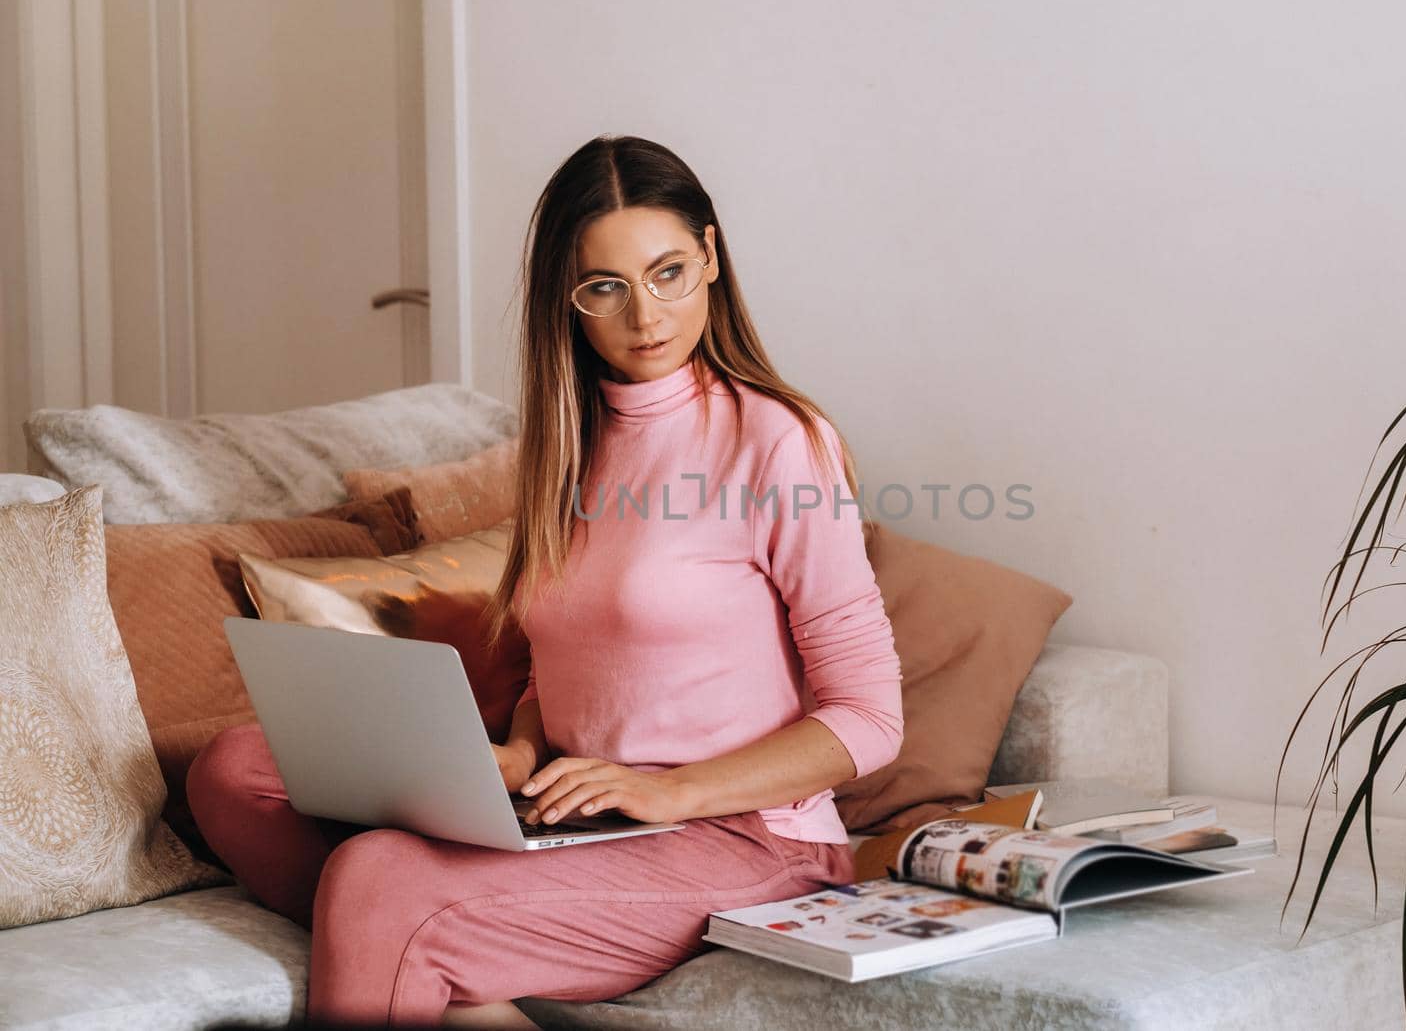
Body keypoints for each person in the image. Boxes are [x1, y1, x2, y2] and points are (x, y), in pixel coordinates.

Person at [186, 134, 905, 1028]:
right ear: (567, 302)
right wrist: (525, 750)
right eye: (605, 286)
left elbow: (869, 717)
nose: (646, 314)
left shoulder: (779, 439)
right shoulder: (561, 451)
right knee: (235, 769)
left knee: (378, 877)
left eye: (670, 271)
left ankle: (413, 935)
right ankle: (436, 957)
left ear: (712, 258)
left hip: (744, 836)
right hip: (581, 809)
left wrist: (672, 789)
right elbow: (558, 660)